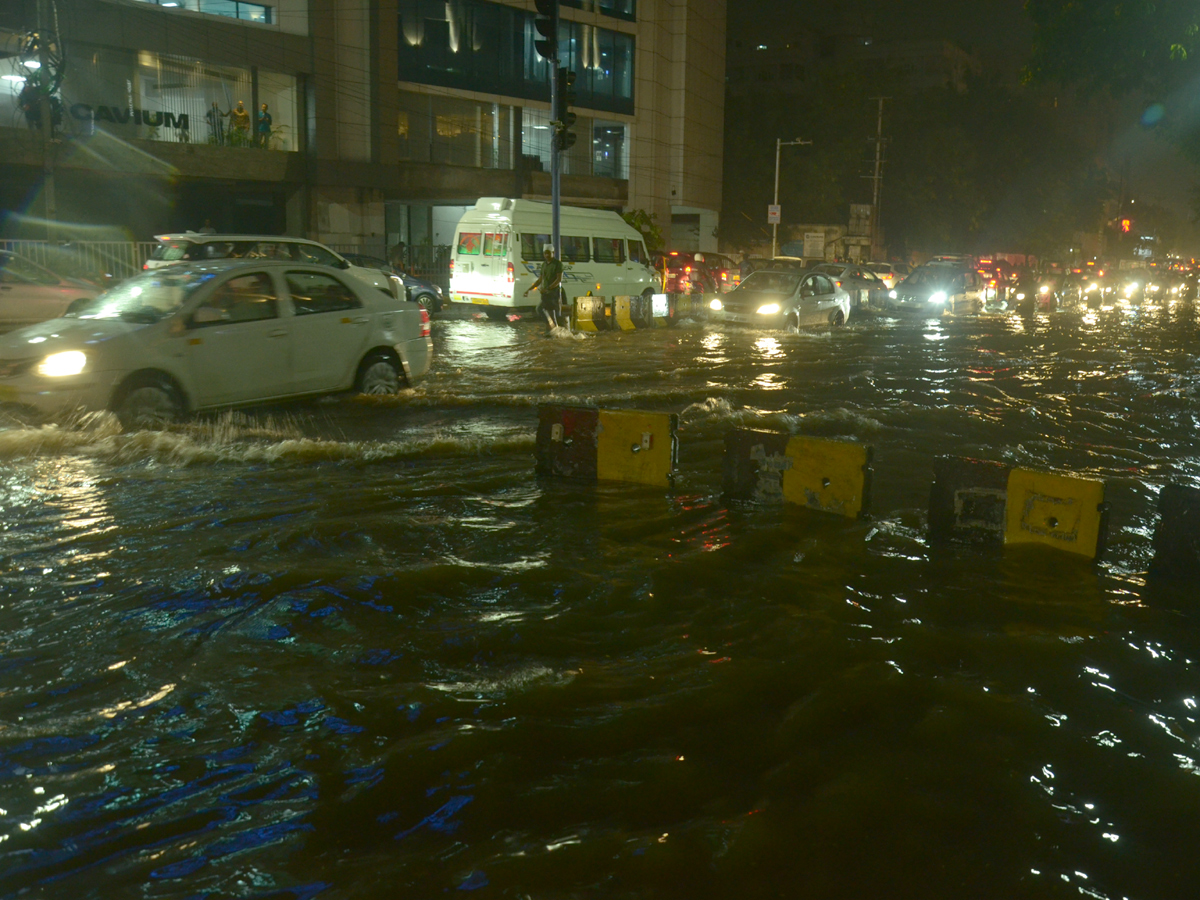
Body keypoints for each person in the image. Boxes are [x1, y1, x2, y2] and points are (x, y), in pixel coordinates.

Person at [523, 245, 564, 331]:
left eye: (548, 253)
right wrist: (529, 289)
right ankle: (553, 329)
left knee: (541, 309)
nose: (547, 255)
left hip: (553, 293)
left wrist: (548, 288)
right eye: (545, 253)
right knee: (550, 313)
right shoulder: (544, 265)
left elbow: (559, 279)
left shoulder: (557, 264)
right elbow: (540, 280)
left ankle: (551, 327)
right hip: (545, 293)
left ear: (553, 253)